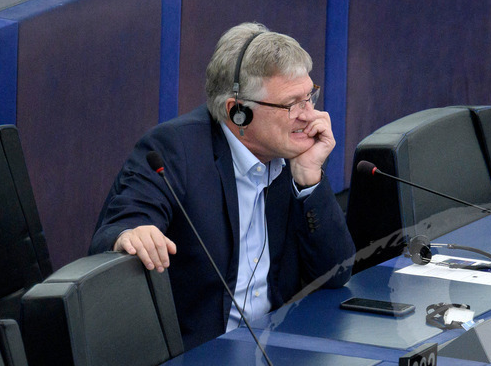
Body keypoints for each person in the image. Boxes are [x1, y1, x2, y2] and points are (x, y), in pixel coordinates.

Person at [91, 23, 354, 349]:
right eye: (291, 105)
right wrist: (131, 233)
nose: (309, 115)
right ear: (238, 112)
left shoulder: (291, 155)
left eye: (309, 97)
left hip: (277, 353)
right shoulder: (176, 150)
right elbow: (121, 224)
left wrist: (309, 177)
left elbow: (337, 274)